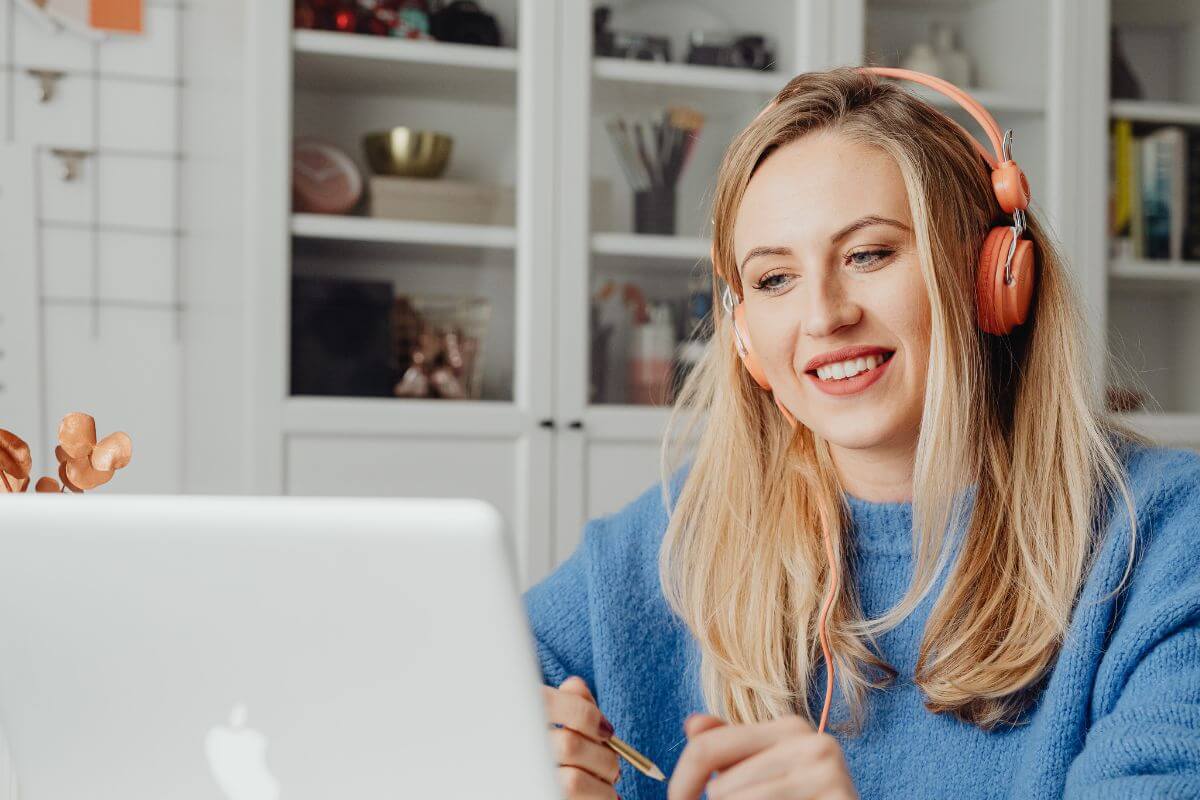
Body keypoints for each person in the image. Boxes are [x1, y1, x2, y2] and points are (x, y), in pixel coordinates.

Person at [523, 67, 1200, 799]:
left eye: (868, 255)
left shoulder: (1165, 536)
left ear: (994, 278)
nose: (824, 316)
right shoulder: (675, 535)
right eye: (774, 279)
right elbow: (453, 684)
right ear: (744, 335)